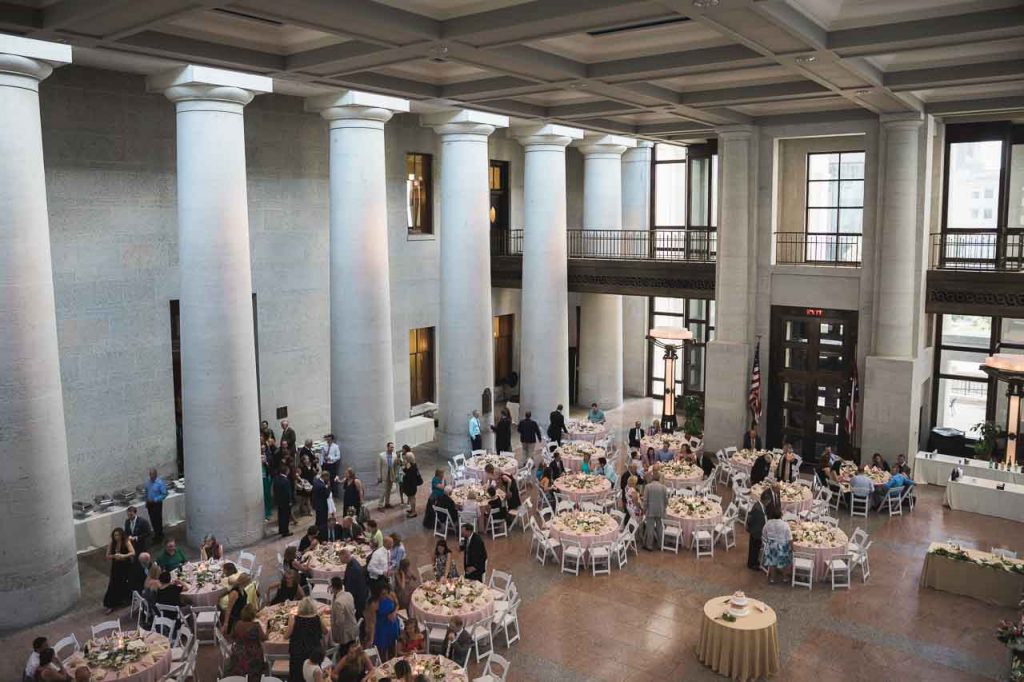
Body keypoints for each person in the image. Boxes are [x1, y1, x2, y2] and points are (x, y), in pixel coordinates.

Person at [285, 597, 328, 682]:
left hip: (298, 653)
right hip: (313, 653)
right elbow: (325, 632)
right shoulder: (317, 619)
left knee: (297, 676)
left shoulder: (294, 619)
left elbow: (286, 636)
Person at [103, 528, 135, 613]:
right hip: (116, 566)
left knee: (124, 582)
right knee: (114, 583)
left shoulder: (126, 542)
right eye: (115, 535)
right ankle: (111, 604)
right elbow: (107, 555)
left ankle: (124, 599)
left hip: (125, 565)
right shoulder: (112, 543)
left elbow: (132, 552)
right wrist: (114, 556)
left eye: (118, 535)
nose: (116, 537)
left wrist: (123, 556)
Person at [761, 506, 792, 584]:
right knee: (784, 562)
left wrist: (767, 541)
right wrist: (792, 548)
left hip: (771, 545)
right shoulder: (785, 524)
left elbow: (764, 533)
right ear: (781, 515)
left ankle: (772, 578)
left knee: (772, 563)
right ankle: (785, 577)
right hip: (782, 545)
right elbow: (789, 538)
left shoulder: (768, 523)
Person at [328, 575, 359, 653]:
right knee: (352, 651)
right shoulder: (348, 594)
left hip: (345, 634)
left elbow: (339, 622)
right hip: (352, 628)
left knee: (345, 653)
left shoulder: (338, 602)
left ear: (333, 587)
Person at [372, 581, 400, 660]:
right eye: (383, 594)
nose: (385, 595)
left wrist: (394, 612)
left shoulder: (391, 594)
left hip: (392, 623)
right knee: (382, 649)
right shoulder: (374, 603)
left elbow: (397, 605)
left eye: (386, 593)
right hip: (381, 625)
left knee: (393, 645)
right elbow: (372, 620)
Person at [642, 471, 668, 550]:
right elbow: (666, 500)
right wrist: (664, 508)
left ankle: (649, 545)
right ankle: (660, 544)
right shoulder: (664, 487)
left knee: (650, 528)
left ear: (652, 478)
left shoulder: (648, 487)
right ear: (659, 478)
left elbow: (645, 500)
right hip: (660, 509)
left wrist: (644, 509)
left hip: (650, 510)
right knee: (660, 528)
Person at [341, 548, 369, 619]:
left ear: (345, 557)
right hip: (357, 594)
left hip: (358, 597)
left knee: (358, 616)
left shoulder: (354, 568)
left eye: (341, 559)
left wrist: (348, 598)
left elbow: (352, 587)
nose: (340, 561)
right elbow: (347, 579)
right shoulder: (351, 562)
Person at [745, 489, 767, 571]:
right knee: (754, 548)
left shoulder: (759, 505)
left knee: (755, 548)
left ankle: (754, 561)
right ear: (765, 500)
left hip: (756, 531)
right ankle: (752, 564)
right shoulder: (758, 509)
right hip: (756, 532)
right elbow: (753, 520)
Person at [143, 468, 168, 543]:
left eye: (152, 474)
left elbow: (164, 494)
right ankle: (156, 533)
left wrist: (155, 499)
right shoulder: (148, 483)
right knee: (152, 519)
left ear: (156, 474)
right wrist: (146, 501)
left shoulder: (160, 483)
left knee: (157, 519)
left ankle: (159, 535)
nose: (151, 476)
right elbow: (146, 492)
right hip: (149, 503)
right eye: (150, 474)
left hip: (157, 504)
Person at [378, 442, 401, 510]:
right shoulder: (381, 455)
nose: (392, 448)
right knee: (383, 491)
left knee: (389, 490)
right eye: (391, 447)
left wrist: (396, 474)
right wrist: (379, 476)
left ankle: (387, 503)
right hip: (384, 475)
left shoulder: (394, 455)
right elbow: (379, 467)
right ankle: (380, 505)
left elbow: (396, 466)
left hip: (391, 475)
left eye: (393, 447)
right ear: (387, 447)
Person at [274, 464, 295, 537]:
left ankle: (281, 529)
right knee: (286, 517)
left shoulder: (276, 479)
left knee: (280, 516)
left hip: (279, 501)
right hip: (285, 502)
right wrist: (290, 501)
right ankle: (285, 531)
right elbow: (288, 492)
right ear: (286, 471)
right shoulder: (286, 481)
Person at [401, 452, 422, 518]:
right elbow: (406, 470)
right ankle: (412, 509)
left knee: (412, 497)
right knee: (411, 498)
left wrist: (404, 473)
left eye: (406, 458)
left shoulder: (412, 467)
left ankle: (413, 512)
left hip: (411, 485)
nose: (405, 459)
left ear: (409, 458)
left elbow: (409, 475)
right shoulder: (412, 464)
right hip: (411, 485)